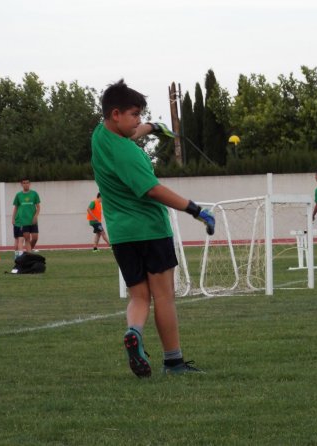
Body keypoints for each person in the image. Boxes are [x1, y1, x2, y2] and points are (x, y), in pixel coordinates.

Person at [91, 79, 214, 378]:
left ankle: (134, 331)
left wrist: (153, 127)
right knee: (165, 297)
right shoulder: (128, 154)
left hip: (121, 236)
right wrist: (193, 209)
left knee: (139, 297)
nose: (137, 121)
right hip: (151, 231)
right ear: (116, 113)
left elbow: (130, 134)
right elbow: (153, 190)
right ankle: (174, 362)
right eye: (134, 114)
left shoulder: (100, 136)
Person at [12, 178, 41, 254]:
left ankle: (28, 252)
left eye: (27, 183)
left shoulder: (34, 194)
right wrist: (13, 218)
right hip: (23, 221)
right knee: (27, 239)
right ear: (21, 184)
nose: (26, 184)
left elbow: (38, 207)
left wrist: (35, 216)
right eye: (24, 183)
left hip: (33, 220)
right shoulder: (18, 195)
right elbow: (16, 208)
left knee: (35, 238)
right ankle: (29, 255)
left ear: (30, 183)